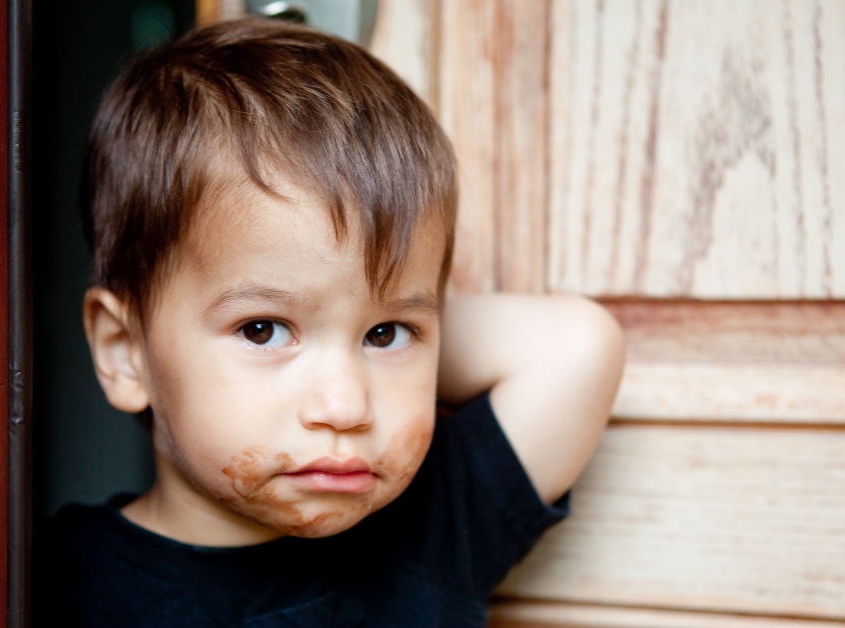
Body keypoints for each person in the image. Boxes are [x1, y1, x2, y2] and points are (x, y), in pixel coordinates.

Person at [35, 17, 624, 627]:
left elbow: (579, 345)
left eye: (385, 334)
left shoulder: (433, 529)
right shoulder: (45, 577)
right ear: (124, 349)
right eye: (263, 329)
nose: (345, 408)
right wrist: (379, 319)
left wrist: (405, 315)